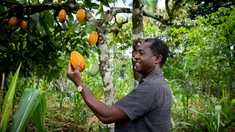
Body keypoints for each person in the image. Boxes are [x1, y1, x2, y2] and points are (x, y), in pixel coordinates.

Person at [67, 37, 172, 132]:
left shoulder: (152, 87)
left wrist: (79, 84)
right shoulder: (159, 84)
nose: (135, 56)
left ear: (157, 59)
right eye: (137, 52)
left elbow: (106, 115)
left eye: (141, 53)